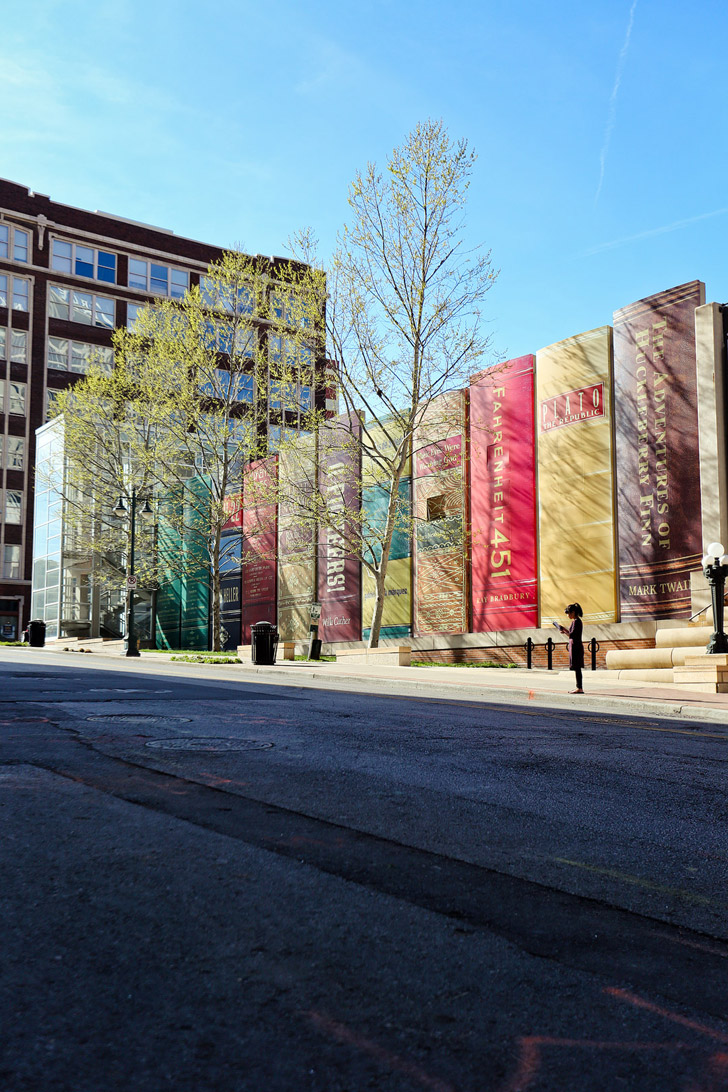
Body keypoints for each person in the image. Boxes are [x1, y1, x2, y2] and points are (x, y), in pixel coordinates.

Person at [558, 602, 584, 693]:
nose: (568, 615)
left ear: (573, 612)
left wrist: (564, 631)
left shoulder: (577, 622)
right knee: (576, 668)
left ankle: (579, 687)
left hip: (576, 647)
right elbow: (571, 633)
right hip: (574, 646)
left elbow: (571, 634)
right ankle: (579, 687)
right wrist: (564, 630)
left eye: (569, 613)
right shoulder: (575, 622)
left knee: (577, 668)